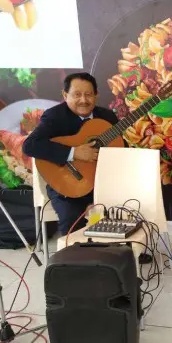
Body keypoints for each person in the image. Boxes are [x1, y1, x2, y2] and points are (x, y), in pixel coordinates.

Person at [22, 72, 118, 235]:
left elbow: (122, 148)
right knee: (72, 218)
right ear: (65, 95)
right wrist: (73, 152)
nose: (83, 100)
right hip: (66, 183)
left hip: (102, 182)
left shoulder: (107, 116)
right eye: (77, 94)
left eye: (88, 94)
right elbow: (29, 146)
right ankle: (76, 251)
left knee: (129, 205)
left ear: (96, 95)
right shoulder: (54, 116)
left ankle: (120, 246)